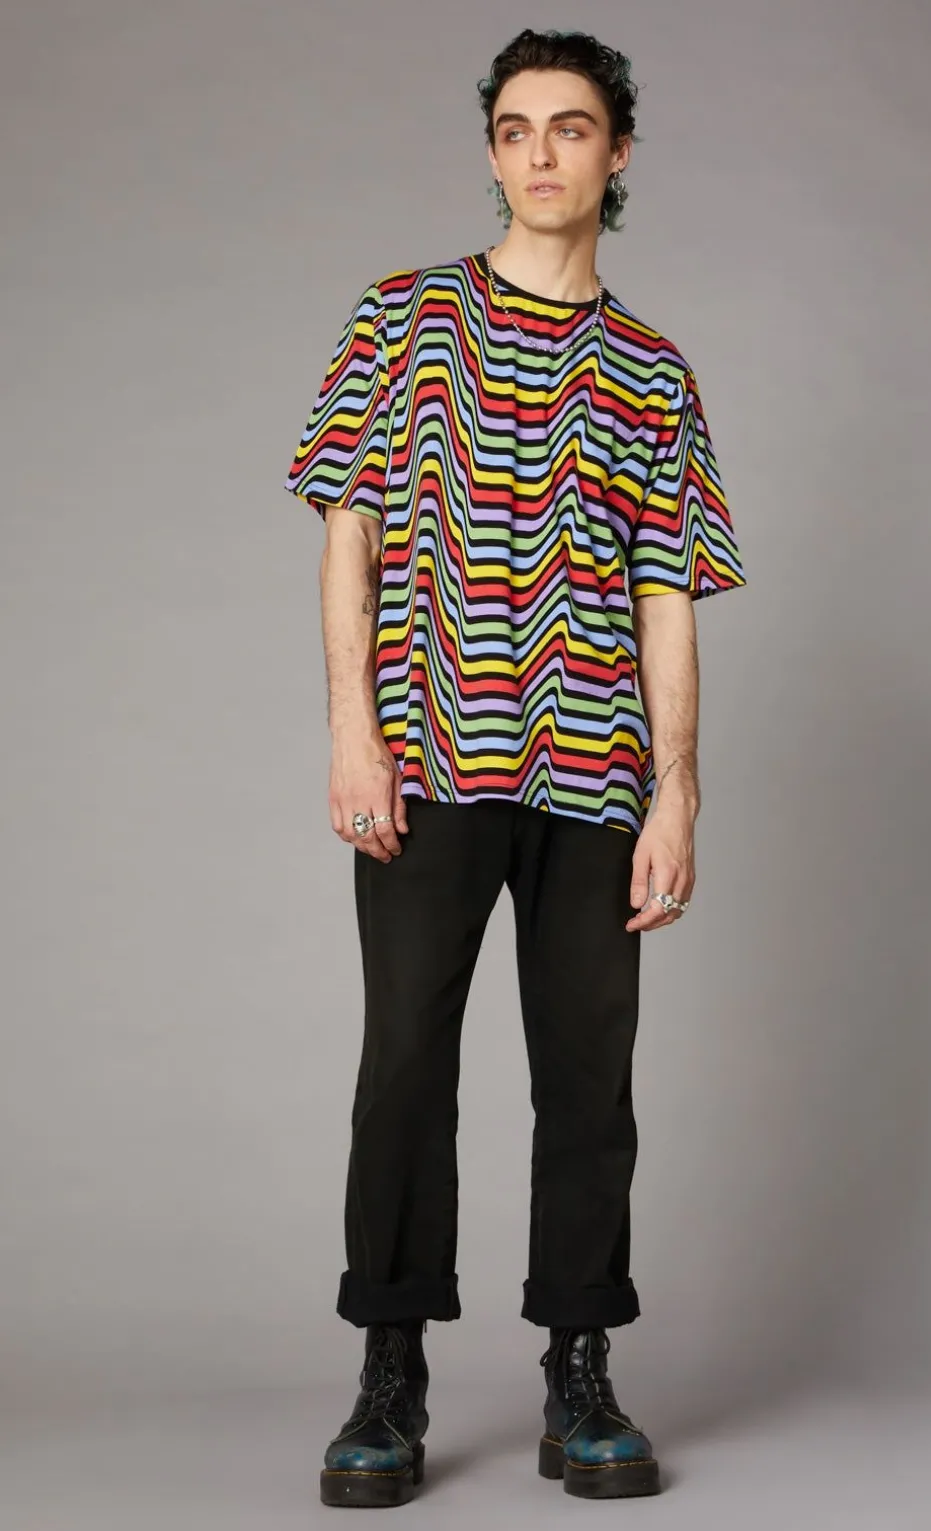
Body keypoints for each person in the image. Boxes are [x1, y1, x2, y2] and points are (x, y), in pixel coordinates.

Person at [282, 26, 746, 1509]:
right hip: (427, 759)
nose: (542, 153)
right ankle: (390, 1370)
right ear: (494, 153)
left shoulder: (655, 373)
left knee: (590, 1081)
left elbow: (668, 592)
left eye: (572, 127)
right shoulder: (405, 318)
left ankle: (579, 1367)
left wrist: (680, 790)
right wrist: (351, 728)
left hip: (596, 776)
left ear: (619, 154)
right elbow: (348, 529)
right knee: (404, 1066)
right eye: (517, 129)